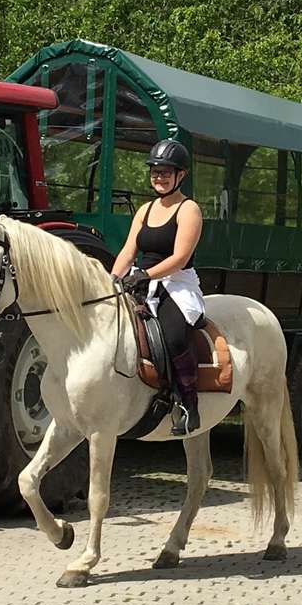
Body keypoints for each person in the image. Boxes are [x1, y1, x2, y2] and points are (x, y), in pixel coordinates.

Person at [111, 138, 206, 435]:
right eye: (155, 171)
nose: (159, 177)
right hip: (142, 279)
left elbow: (180, 258)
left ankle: (188, 405)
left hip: (176, 283)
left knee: (174, 335)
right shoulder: (145, 209)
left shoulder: (189, 210)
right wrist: (113, 279)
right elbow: (128, 250)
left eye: (166, 172)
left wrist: (146, 276)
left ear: (181, 175)